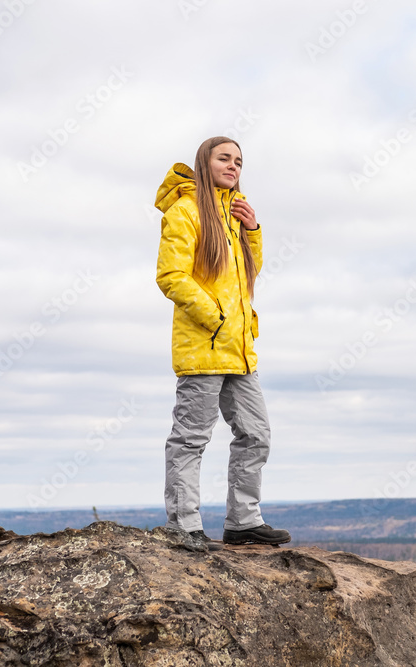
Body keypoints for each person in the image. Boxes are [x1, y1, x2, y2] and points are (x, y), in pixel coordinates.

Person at [154, 136, 290, 551]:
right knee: (191, 438)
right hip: (204, 345)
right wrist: (215, 316)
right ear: (204, 162)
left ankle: (243, 522)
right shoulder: (186, 209)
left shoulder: (233, 215)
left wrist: (252, 231)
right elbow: (171, 276)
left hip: (238, 349)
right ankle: (185, 526)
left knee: (256, 434)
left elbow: (246, 276)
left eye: (239, 162)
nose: (233, 166)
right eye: (224, 159)